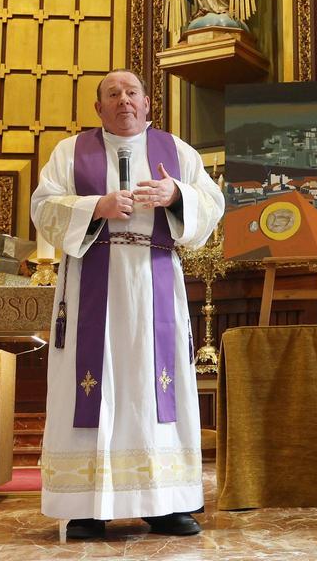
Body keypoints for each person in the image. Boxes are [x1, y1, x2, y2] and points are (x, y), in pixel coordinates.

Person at [31, 69, 224, 540]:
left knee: (153, 386)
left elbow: (212, 201)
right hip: (91, 280)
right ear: (98, 108)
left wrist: (175, 194)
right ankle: (86, 508)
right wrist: (95, 207)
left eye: (132, 92)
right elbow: (44, 206)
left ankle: (165, 502)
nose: (124, 100)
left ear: (147, 103)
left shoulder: (176, 151)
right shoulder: (69, 152)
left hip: (152, 277)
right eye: (113, 94)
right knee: (92, 384)